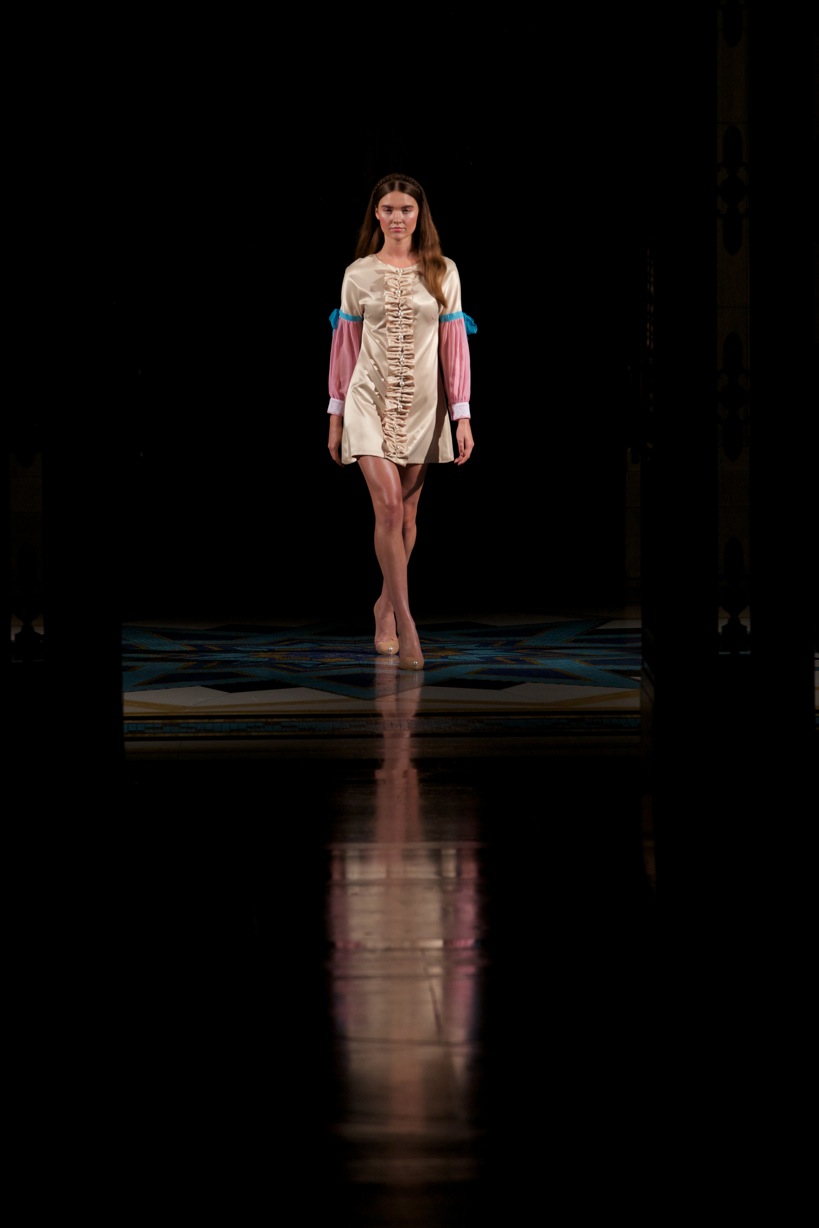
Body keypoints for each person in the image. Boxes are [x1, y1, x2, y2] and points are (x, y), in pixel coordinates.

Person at [326, 173, 476, 671]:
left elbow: (455, 346)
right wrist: (335, 415)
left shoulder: (443, 271)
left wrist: (462, 414)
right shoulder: (357, 274)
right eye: (388, 209)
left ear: (418, 215)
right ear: (376, 213)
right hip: (366, 399)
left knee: (408, 515)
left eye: (405, 210)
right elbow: (345, 348)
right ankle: (407, 626)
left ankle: (385, 605)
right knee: (388, 506)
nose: (397, 218)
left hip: (423, 405)